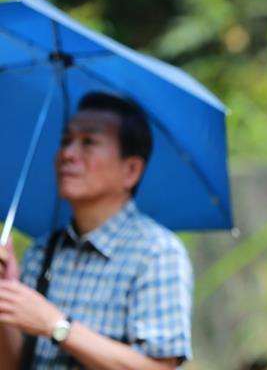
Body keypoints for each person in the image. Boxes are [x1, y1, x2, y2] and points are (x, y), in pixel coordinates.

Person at [0, 92, 193, 369]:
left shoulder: (156, 253)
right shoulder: (44, 250)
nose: (68, 154)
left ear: (131, 170)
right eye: (66, 141)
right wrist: (7, 294)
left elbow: (158, 367)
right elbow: (14, 364)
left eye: (88, 142)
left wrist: (58, 326)